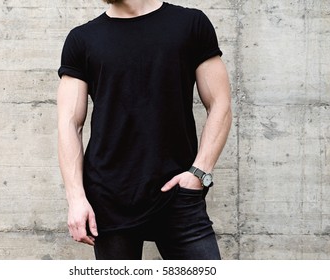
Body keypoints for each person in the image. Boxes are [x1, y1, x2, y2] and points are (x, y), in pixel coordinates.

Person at [57, 0, 232, 260]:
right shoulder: (82, 39)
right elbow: (69, 123)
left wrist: (199, 173)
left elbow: (220, 103)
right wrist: (76, 199)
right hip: (109, 199)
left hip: (179, 195)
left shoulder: (190, 25)